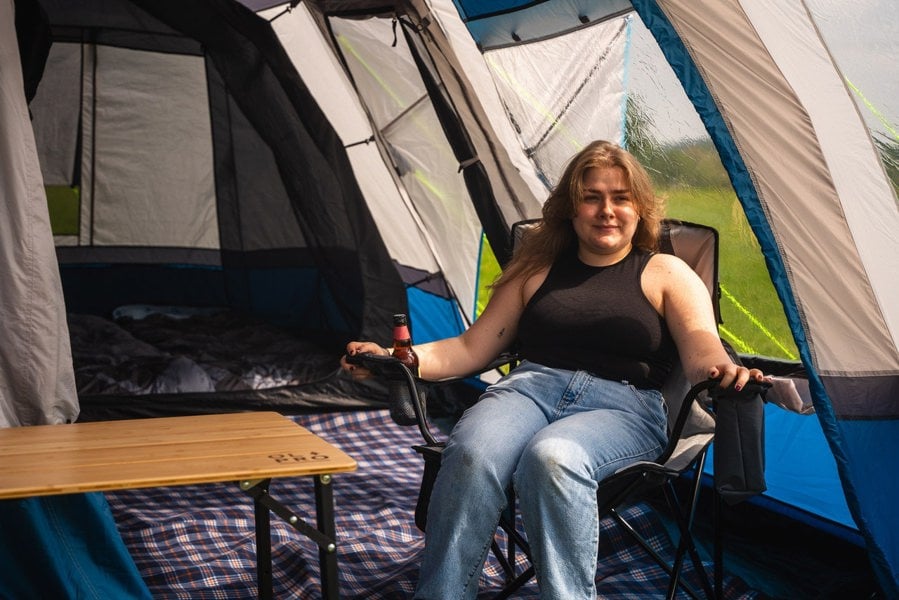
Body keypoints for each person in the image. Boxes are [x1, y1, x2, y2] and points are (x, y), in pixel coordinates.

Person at [340, 140, 768, 599]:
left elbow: (703, 348)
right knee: (472, 452)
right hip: (529, 391)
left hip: (623, 407)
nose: (607, 210)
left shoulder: (667, 272)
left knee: (552, 456)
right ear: (570, 208)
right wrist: (394, 358)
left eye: (621, 198)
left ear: (640, 208)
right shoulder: (536, 270)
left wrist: (725, 372)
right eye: (592, 197)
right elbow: (469, 348)